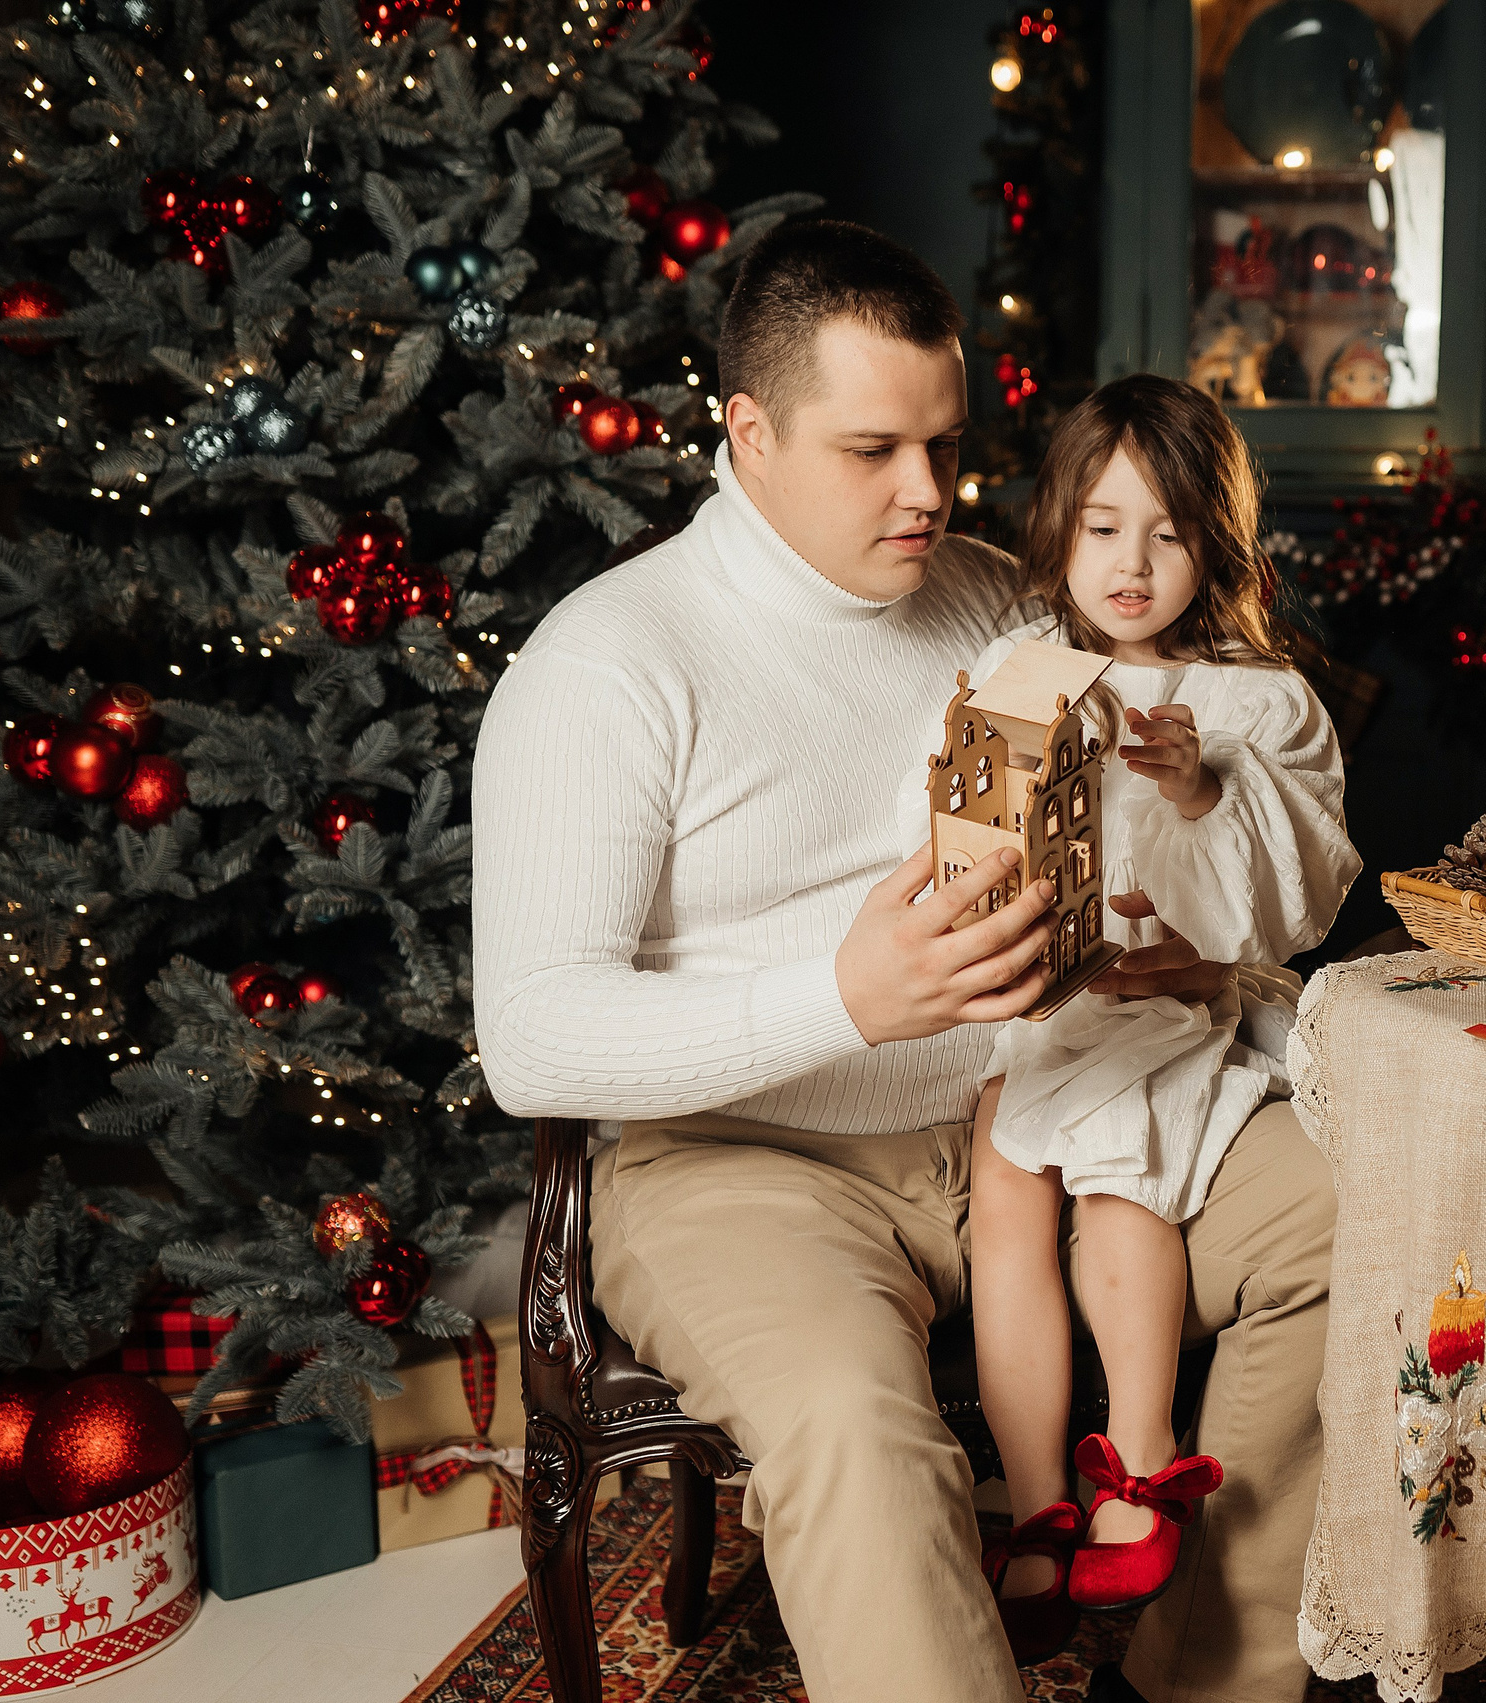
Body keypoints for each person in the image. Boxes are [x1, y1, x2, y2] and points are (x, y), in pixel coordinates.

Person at [470, 220, 1338, 1703]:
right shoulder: (609, 663)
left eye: (943, 442)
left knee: (1349, 1209)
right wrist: (845, 998)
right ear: (749, 432)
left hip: (1046, 1103)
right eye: (873, 450)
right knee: (859, 1432)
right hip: (747, 1161)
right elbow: (535, 1037)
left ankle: (1205, 1677)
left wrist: (1188, 956)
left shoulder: (1000, 596)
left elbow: (1175, 831)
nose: (927, 490)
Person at [949, 376, 1359, 1663]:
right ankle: (1036, 1496)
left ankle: (1138, 1455)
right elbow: (970, 838)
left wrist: (1195, 788)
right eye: (1102, 527)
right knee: (1004, 1180)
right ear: (1059, 528)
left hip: (1175, 1016)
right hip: (1044, 1015)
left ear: (1214, 544)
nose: (1130, 564)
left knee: (1119, 1173)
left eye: (1167, 534)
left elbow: (1297, 888)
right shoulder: (1021, 668)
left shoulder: (1256, 699)